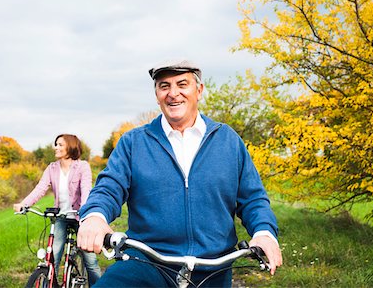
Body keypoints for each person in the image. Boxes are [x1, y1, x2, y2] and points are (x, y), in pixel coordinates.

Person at [78, 60, 283, 287]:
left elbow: (253, 198)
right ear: (157, 95)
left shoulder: (228, 140)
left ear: (199, 90)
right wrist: (95, 217)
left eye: (182, 84)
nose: (173, 94)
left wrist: (264, 233)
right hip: (146, 263)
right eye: (164, 86)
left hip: (213, 268)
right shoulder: (133, 142)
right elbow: (109, 186)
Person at [13, 134, 101, 285]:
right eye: (56, 144)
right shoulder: (52, 168)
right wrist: (24, 204)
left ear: (71, 146)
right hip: (60, 216)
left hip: (80, 216)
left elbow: (86, 190)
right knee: (53, 256)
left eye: (60, 145)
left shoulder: (82, 166)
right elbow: (40, 188)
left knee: (90, 262)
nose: (56, 147)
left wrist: (85, 210)